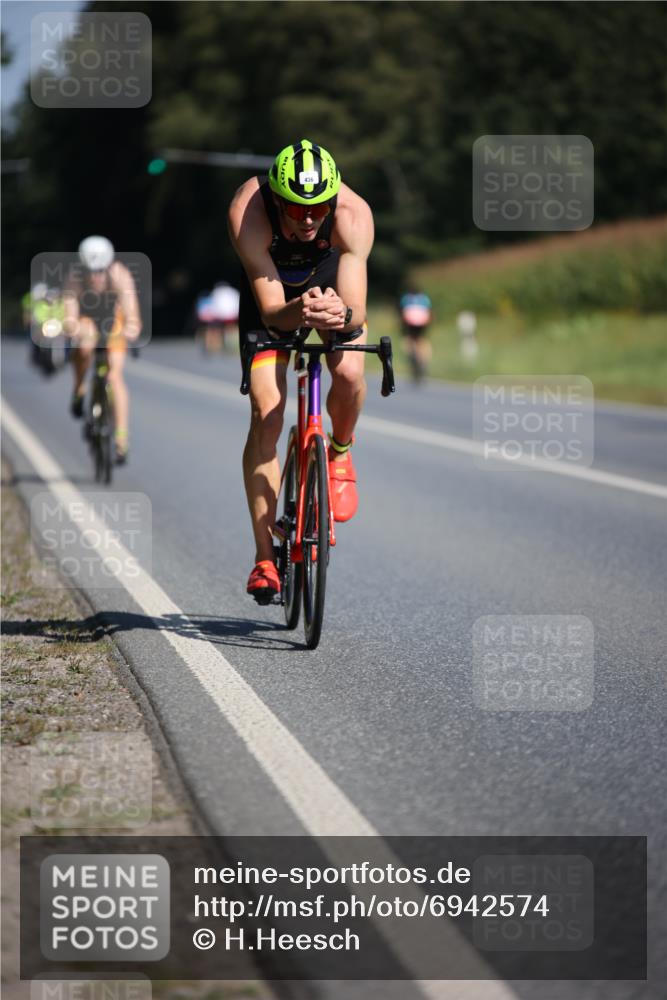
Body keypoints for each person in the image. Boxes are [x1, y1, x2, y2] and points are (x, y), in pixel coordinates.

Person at [228, 138, 374, 602]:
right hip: (274, 299)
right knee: (267, 414)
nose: (308, 218)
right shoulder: (247, 212)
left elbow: (356, 310)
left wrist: (338, 314)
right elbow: (271, 312)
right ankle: (264, 558)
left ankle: (339, 451)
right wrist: (301, 311)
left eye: (317, 208)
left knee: (350, 375)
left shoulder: (353, 214)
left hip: (331, 294)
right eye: (295, 209)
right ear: (275, 199)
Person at [63, 236, 142, 465]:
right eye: (91, 271)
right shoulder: (74, 278)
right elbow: (69, 315)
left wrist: (131, 329)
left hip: (111, 319)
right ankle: (79, 389)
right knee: (84, 346)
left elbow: (132, 313)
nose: (96, 277)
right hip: (87, 318)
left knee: (115, 375)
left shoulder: (120, 275)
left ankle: (121, 438)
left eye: (100, 271)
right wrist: (75, 329)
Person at [399, 288, 433, 382]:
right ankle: (424, 359)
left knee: (409, 339)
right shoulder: (425, 298)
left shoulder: (406, 298)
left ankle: (411, 356)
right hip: (423, 320)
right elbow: (429, 311)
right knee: (421, 339)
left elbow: (402, 311)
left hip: (410, 320)